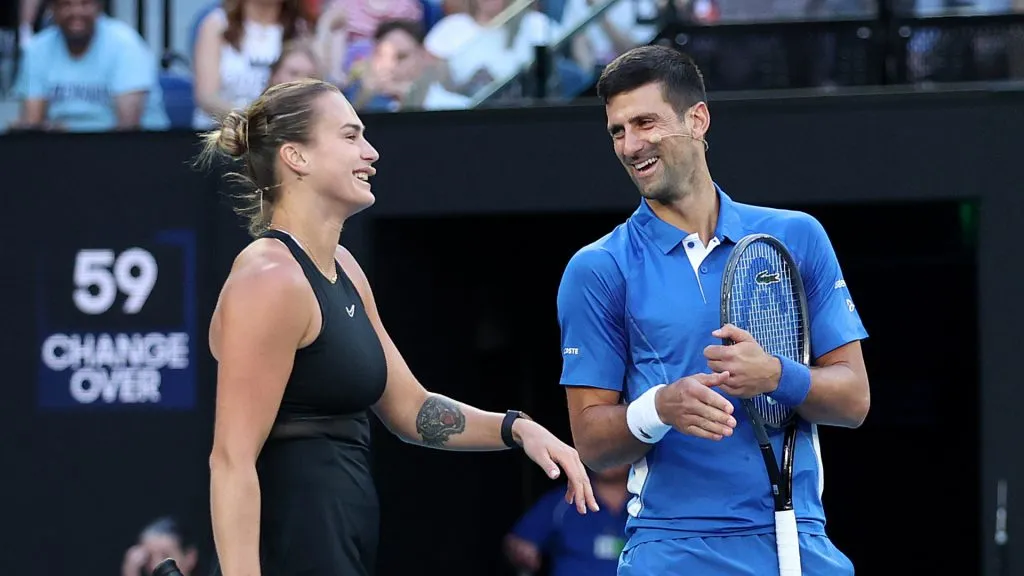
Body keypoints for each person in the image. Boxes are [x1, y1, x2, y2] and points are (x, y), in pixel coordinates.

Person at [197, 78, 598, 576]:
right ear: (296, 157)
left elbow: (412, 409)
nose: (371, 152)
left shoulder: (344, 267)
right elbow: (231, 462)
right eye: (349, 136)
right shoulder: (269, 278)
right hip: (288, 549)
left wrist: (516, 428)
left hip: (342, 541)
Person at [555, 45, 870, 575]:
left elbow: (854, 400)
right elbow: (592, 443)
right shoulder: (598, 268)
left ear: (697, 119)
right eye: (617, 131)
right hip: (675, 551)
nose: (631, 146)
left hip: (799, 541)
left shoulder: (798, 236)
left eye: (645, 122)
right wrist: (660, 407)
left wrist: (776, 375)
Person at [503, 464, 629, 576]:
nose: (608, 456)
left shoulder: (647, 504)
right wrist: (521, 552)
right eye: (601, 446)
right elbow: (519, 541)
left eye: (617, 446)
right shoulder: (562, 502)